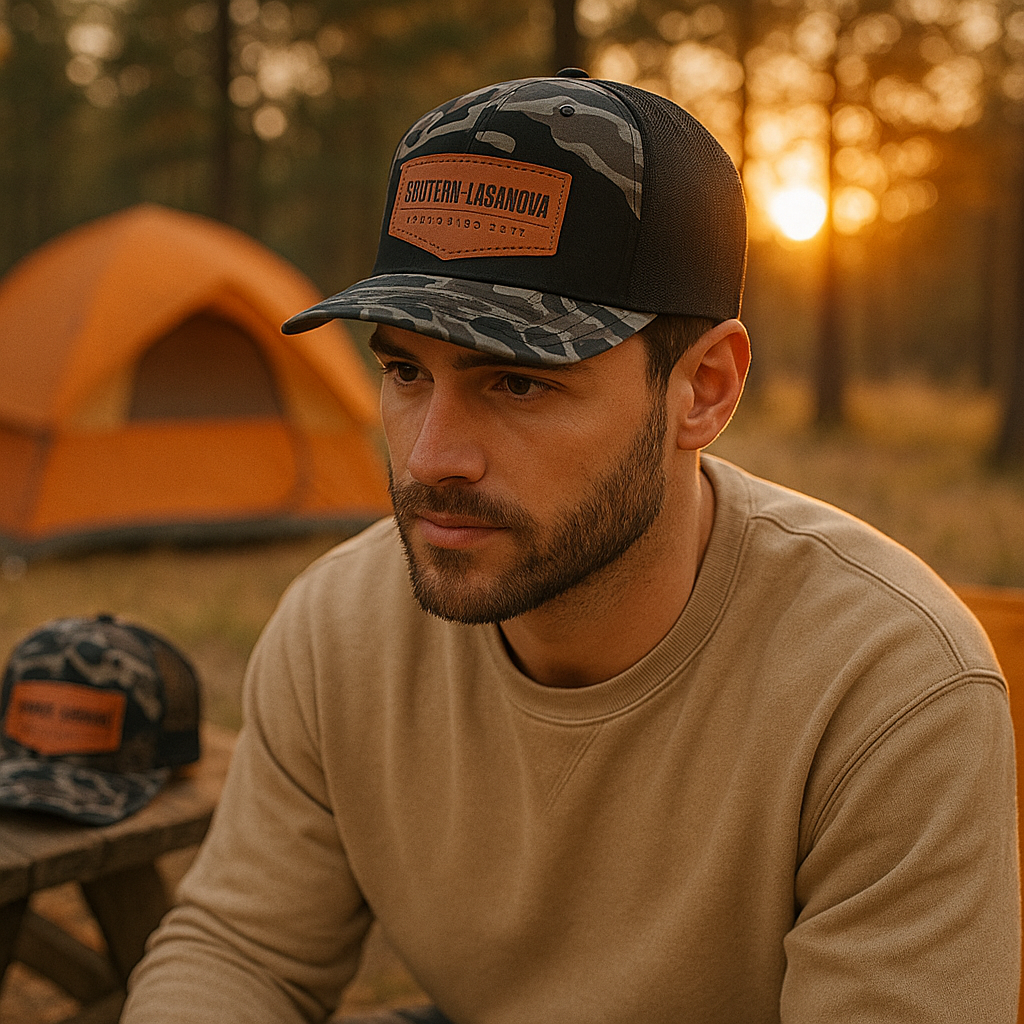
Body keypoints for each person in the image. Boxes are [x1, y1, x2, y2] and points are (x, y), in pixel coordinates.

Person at [122, 70, 1020, 1024]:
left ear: (704, 388)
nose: (433, 458)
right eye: (403, 370)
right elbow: (242, 952)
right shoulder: (339, 626)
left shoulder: (886, 689)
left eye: (517, 383)